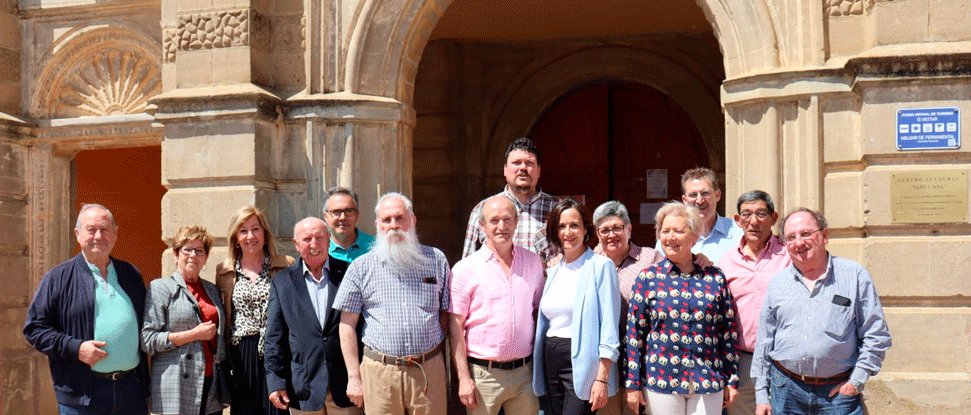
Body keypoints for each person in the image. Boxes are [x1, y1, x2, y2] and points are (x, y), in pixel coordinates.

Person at [752, 208, 892, 415]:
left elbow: (876, 335)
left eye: (806, 234)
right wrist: (762, 395)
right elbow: (764, 341)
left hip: (838, 396)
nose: (799, 242)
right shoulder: (778, 283)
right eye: (791, 237)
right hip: (786, 392)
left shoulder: (854, 276)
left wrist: (856, 381)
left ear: (824, 235)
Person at [24, 204, 149, 415]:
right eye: (91, 229)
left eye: (105, 229)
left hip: (131, 390)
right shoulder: (58, 278)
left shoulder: (130, 274)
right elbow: (35, 329)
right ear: (78, 234)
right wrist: (76, 348)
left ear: (115, 233)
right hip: (83, 396)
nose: (98, 236)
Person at [333, 193, 451, 415]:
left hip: (428, 369)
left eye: (400, 218)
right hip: (380, 373)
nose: (394, 225)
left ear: (412, 221)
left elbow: (446, 312)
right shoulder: (360, 267)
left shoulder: (436, 260)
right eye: (387, 220)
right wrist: (354, 377)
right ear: (378, 225)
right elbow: (346, 325)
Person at [626, 202, 740, 415]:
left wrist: (732, 379)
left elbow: (727, 331)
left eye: (678, 231)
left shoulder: (714, 277)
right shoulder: (648, 278)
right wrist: (632, 384)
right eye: (665, 231)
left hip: (708, 379)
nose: (670, 237)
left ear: (695, 236)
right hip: (661, 379)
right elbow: (635, 335)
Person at [450, 195, 545, 415]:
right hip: (484, 375)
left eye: (507, 219)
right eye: (494, 221)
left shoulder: (532, 262)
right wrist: (464, 379)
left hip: (525, 373)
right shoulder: (465, 269)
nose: (501, 226)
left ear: (516, 222)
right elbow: (455, 329)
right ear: (482, 225)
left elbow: (539, 312)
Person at [264, 217, 360, 415]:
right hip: (302, 388)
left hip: (344, 387)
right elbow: (274, 337)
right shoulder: (282, 282)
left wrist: (360, 377)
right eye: (307, 239)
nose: (314, 245)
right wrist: (275, 381)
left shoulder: (349, 273)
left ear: (329, 240)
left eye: (320, 238)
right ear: (296, 244)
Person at [533, 198, 620, 415]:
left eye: (574, 225)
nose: (567, 232)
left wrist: (602, 377)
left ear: (585, 229)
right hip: (550, 359)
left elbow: (610, 326)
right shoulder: (553, 270)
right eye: (561, 226)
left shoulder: (601, 266)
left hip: (583, 365)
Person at [142, 225, 229, 415]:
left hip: (210, 384)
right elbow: (148, 341)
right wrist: (193, 335)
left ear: (206, 258)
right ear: (175, 254)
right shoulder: (161, 288)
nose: (193, 255)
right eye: (187, 249)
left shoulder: (212, 290)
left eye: (199, 251)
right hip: (176, 386)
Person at [716, 191, 790, 415]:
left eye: (761, 214)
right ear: (737, 221)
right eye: (746, 215)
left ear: (774, 218)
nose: (754, 221)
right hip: (743, 362)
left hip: (784, 361)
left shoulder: (789, 255)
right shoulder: (727, 260)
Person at [215, 206, 294, 415]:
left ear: (265, 234)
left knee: (277, 410)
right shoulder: (224, 271)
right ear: (235, 238)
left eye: (255, 229)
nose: (250, 236)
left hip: (276, 350)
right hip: (241, 355)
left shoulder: (285, 265)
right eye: (243, 230)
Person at [591, 201, 664, 415]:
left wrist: (700, 258)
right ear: (597, 233)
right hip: (605, 364)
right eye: (605, 230)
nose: (611, 235)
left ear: (629, 229)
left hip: (643, 362)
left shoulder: (650, 259)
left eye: (617, 228)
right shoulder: (591, 263)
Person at [463, 137, 559, 263]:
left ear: (539, 170)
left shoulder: (558, 210)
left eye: (529, 163)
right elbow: (468, 264)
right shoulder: (482, 210)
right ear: (505, 170)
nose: (523, 168)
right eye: (516, 163)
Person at [655, 168, 743, 265]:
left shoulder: (738, 232)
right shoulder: (669, 237)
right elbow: (660, 271)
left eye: (705, 193)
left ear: (717, 195)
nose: (699, 201)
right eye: (693, 195)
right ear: (684, 200)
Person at [324, 187, 375, 262]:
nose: (342, 217)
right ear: (326, 216)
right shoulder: (319, 249)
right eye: (336, 212)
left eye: (348, 211)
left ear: (357, 214)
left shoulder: (375, 247)